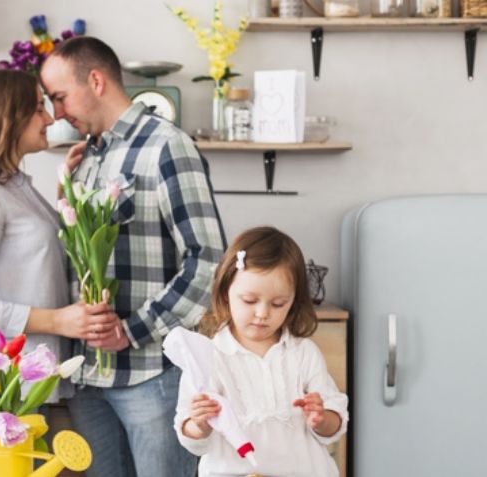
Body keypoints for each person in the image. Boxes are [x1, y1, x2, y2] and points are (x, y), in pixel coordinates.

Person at [40, 37, 226, 477]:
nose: (58, 113)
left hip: (151, 376)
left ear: (96, 81)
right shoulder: (84, 159)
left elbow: (208, 261)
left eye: (61, 97)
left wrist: (132, 330)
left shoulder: (167, 146)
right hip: (88, 381)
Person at [0, 69, 117, 403]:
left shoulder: (14, 187)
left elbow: (29, 261)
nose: (50, 118)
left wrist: (67, 199)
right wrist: (58, 322)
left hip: (22, 386)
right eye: (38, 108)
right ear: (8, 118)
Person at [175, 226, 348, 477]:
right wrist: (199, 424)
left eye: (278, 304)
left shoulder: (303, 353)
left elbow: (335, 422)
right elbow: (191, 436)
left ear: (293, 302)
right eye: (249, 301)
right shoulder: (206, 357)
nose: (262, 313)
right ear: (226, 294)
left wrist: (322, 419)